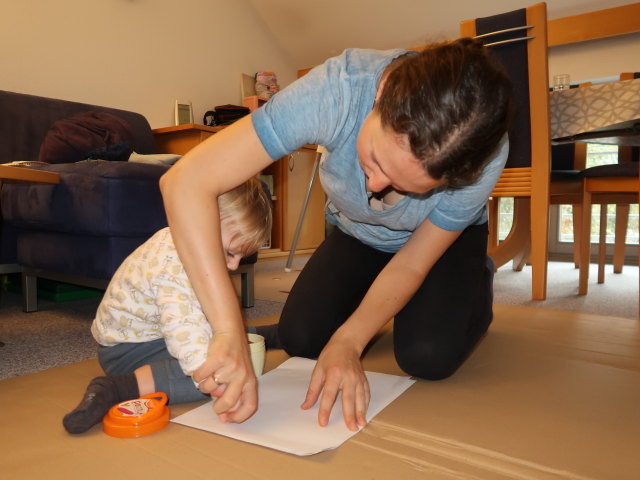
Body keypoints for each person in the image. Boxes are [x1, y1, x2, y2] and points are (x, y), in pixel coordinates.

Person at [159, 38, 512, 431]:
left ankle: (476, 278)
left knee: (427, 357)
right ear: (380, 94)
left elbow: (412, 263)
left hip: (438, 247)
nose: (376, 186)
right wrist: (228, 332)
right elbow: (185, 182)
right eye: (376, 160)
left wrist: (350, 342)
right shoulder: (338, 88)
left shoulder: (482, 156)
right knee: (303, 339)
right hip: (358, 232)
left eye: (413, 187)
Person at [62, 178, 271, 434]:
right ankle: (117, 388)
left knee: (224, 349)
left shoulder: (181, 239)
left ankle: (257, 337)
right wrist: (220, 386)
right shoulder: (174, 265)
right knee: (206, 376)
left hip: (156, 331)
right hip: (126, 351)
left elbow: (199, 312)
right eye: (230, 253)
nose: (234, 266)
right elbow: (184, 331)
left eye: (241, 256)